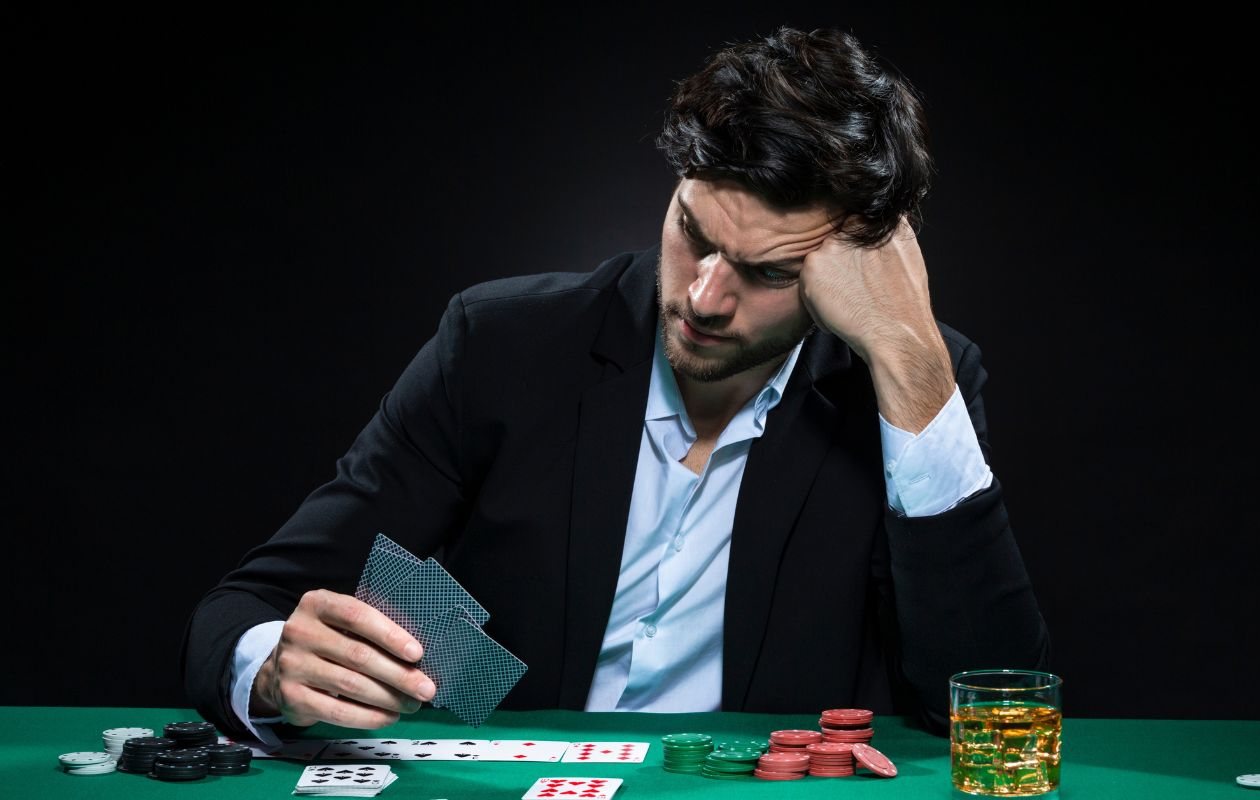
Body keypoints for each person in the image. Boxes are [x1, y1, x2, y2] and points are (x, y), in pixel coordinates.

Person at [182, 25, 1049, 746]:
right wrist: (268, 666)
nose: (705, 298)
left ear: (854, 270)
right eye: (692, 232)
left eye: (769, 272)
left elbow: (992, 715)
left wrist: (910, 355)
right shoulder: (499, 346)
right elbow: (245, 607)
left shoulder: (910, 389)